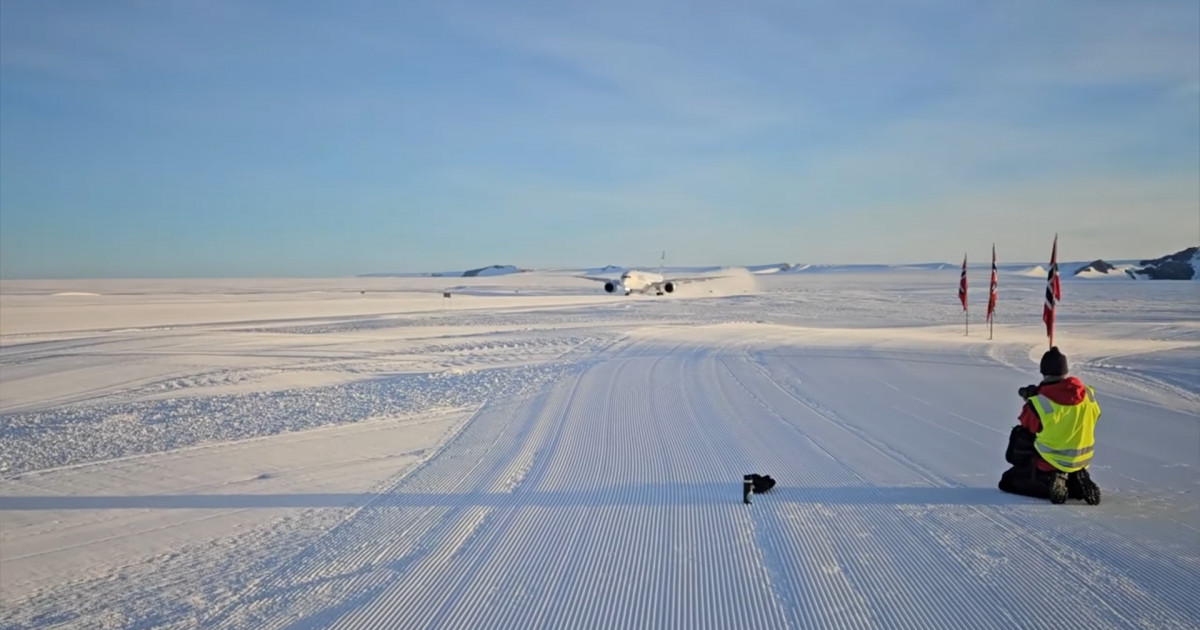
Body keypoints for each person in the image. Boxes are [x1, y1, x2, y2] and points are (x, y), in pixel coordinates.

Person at [998, 347, 1102, 504]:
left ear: (1043, 372)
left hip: (1050, 460)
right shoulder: (1088, 394)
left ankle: (1052, 478)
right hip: (1082, 459)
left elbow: (1027, 426)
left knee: (1007, 481)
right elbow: (1089, 413)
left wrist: (1031, 402)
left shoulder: (1039, 403)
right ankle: (1076, 478)